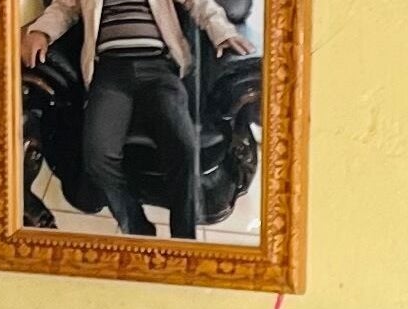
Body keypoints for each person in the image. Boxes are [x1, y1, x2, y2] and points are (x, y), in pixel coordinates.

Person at [22, 0, 253, 238]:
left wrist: (222, 32)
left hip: (159, 69)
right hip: (110, 74)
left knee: (184, 148)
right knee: (97, 157)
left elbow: (199, 3)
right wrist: (41, 31)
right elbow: (63, 8)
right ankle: (137, 228)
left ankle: (184, 238)